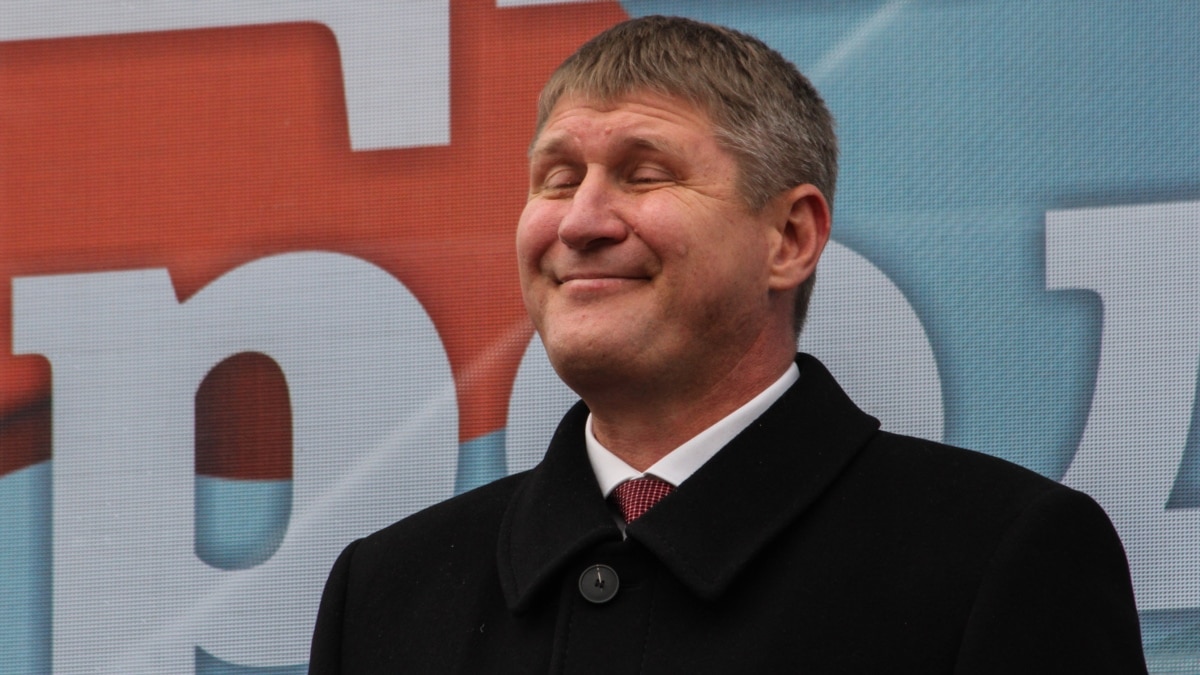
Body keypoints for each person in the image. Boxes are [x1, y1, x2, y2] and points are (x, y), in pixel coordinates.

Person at [310, 15, 1146, 673]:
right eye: (556, 180)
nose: (580, 222)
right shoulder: (383, 594)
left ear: (790, 237)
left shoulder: (1002, 556)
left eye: (645, 173)